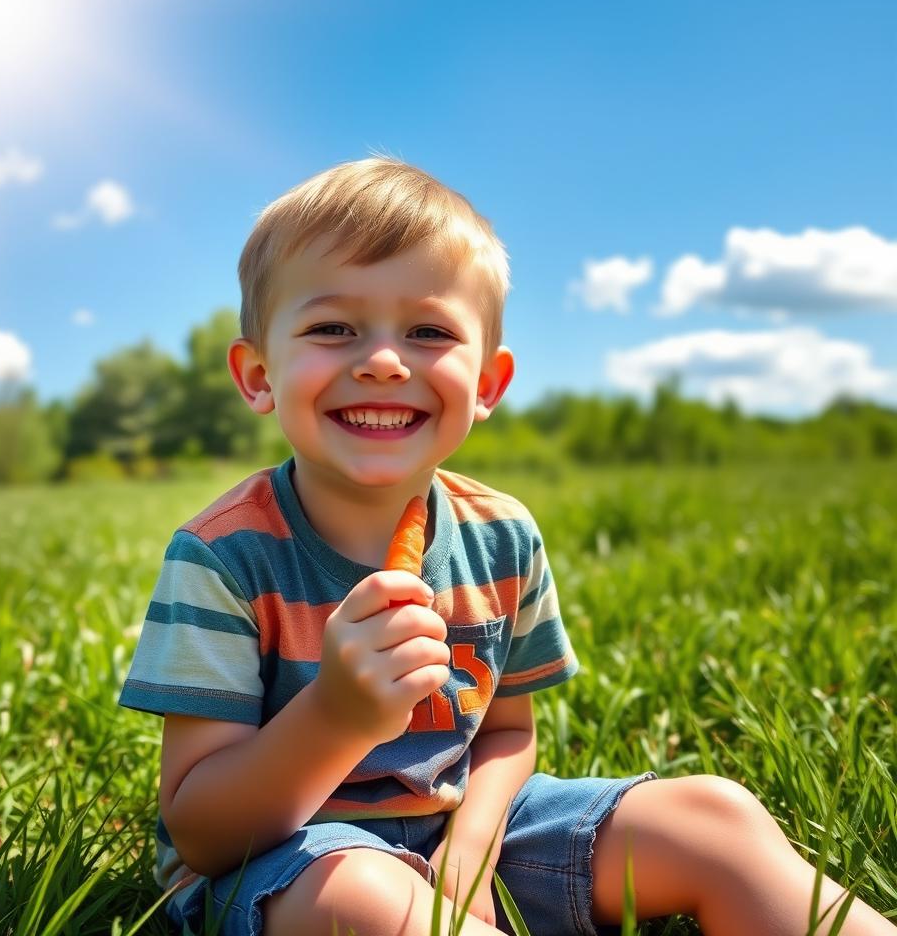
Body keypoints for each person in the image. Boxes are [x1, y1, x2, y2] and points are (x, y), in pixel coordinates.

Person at [118, 158, 894, 936]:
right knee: (361, 896)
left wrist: (474, 850)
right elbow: (202, 830)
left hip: (458, 825)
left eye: (428, 331)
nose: (384, 359)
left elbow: (508, 732)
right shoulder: (223, 556)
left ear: (488, 384)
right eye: (332, 328)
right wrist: (337, 715)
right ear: (258, 376)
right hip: (282, 864)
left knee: (713, 816)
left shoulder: (502, 536)